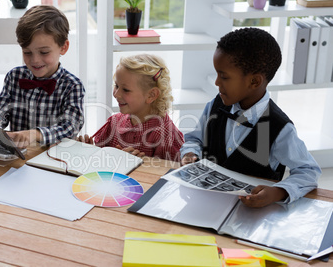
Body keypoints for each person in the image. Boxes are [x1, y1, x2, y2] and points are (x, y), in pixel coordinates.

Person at [180, 27, 321, 208]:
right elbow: (194, 139)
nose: (216, 82)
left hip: (250, 214)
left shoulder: (279, 127)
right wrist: (190, 153)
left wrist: (278, 191)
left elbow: (308, 171)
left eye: (224, 77)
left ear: (254, 81)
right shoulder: (214, 106)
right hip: (203, 203)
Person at [0, 5, 85, 148]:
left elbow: (71, 126)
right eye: (27, 52)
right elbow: (0, 111)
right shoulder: (15, 76)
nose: (35, 60)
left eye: (44, 52)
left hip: (53, 159)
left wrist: (35, 134)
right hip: (16, 157)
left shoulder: (72, 85)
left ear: (63, 47)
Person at [78, 54, 184, 162]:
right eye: (117, 86)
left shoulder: (167, 136)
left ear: (151, 95)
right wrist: (89, 150)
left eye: (126, 90)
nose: (116, 94)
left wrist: (142, 165)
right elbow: (100, 162)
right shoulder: (113, 122)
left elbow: (170, 174)